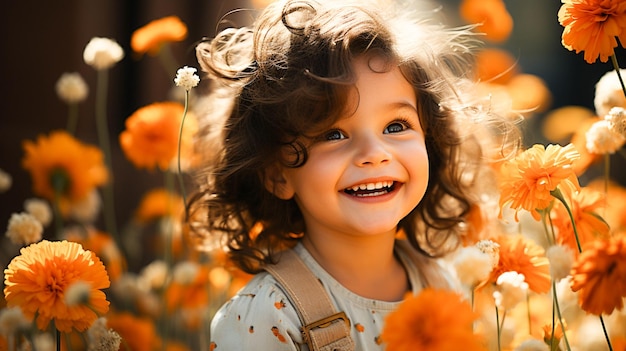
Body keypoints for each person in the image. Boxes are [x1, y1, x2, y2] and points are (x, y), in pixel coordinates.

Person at [189, 0, 520, 349]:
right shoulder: (265, 317)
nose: (374, 154)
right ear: (277, 174)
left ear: (430, 139)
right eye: (333, 134)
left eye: (396, 126)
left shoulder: (444, 285)